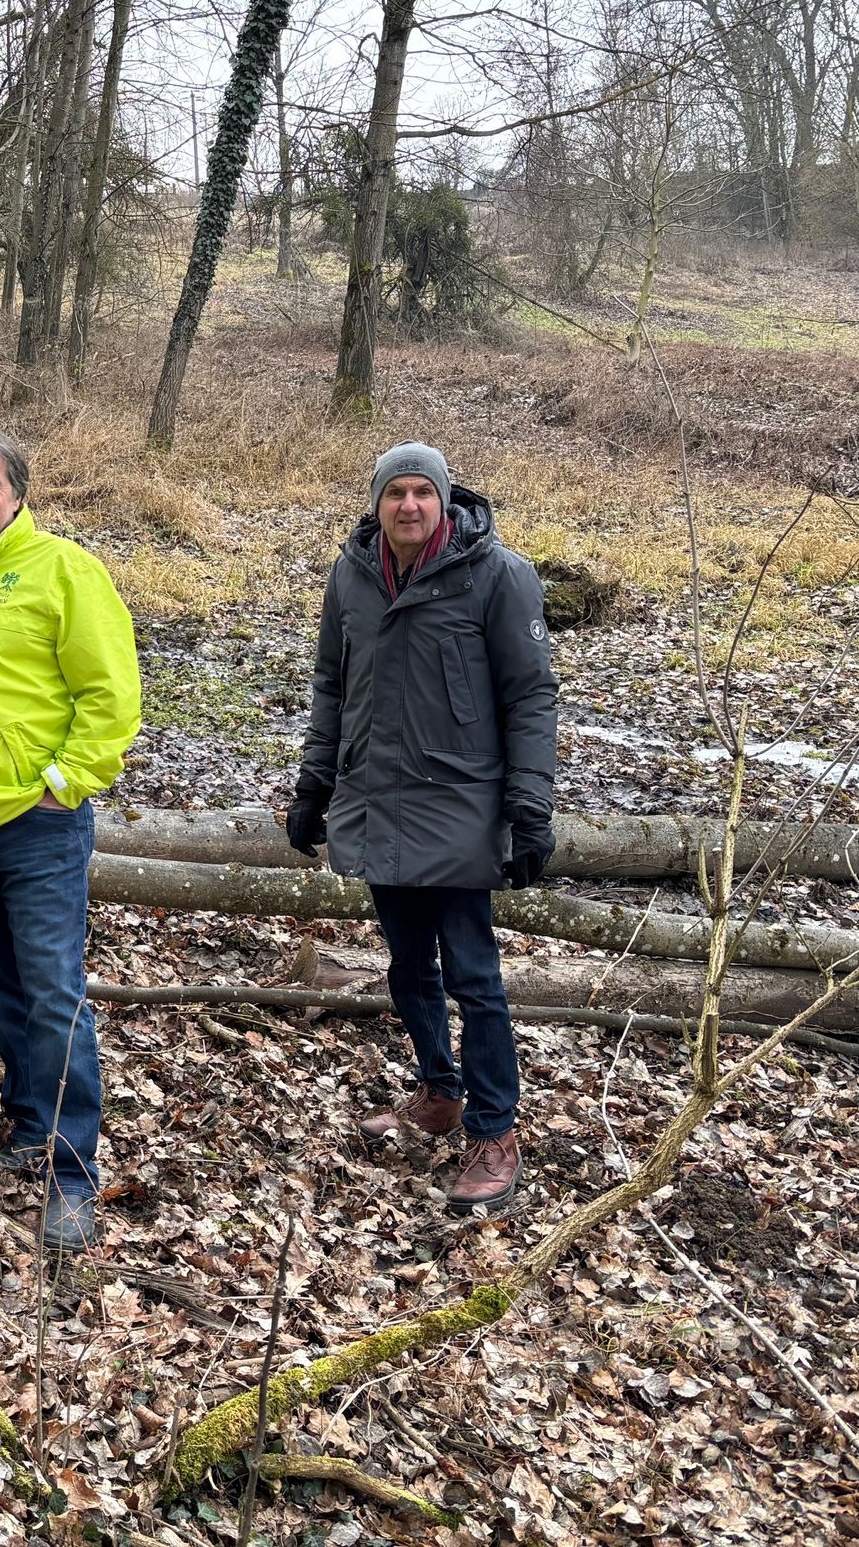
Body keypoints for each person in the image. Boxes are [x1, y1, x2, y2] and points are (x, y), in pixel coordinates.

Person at [288, 442, 559, 1217]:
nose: (409, 506)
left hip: (462, 803)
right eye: (395, 493)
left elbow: (531, 695)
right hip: (377, 798)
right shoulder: (353, 575)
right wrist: (315, 786)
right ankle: (439, 1090)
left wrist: (529, 805)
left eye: (422, 494)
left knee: (472, 975)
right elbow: (332, 685)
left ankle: (494, 1130)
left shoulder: (498, 575)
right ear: (377, 503)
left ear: (445, 501)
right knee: (408, 967)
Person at [0, 428, 141, 1253]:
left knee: (53, 990)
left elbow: (110, 693)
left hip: (36, 822)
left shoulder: (63, 572)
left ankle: (73, 1173)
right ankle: (30, 1119)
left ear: (17, 495)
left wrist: (63, 784)